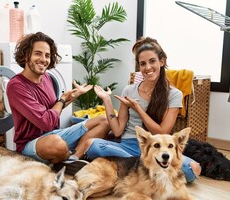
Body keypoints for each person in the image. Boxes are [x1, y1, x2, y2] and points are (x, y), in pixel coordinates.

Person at [83, 36, 201, 183]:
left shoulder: (174, 94)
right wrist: (107, 100)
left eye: (152, 61)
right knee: (92, 145)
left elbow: (162, 131)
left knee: (193, 169)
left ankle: (133, 169)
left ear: (162, 61)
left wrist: (138, 108)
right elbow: (118, 130)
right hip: (128, 147)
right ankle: (147, 170)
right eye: (142, 64)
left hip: (157, 148)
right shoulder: (129, 90)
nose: (147, 68)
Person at [6, 32, 110, 169]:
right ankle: (70, 153)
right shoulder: (16, 85)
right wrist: (62, 99)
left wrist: (72, 97)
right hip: (31, 144)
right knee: (56, 143)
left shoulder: (47, 78)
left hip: (56, 135)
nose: (43, 59)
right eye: (38, 53)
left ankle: (74, 159)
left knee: (105, 120)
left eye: (47, 55)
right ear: (26, 55)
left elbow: (53, 109)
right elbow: (47, 122)